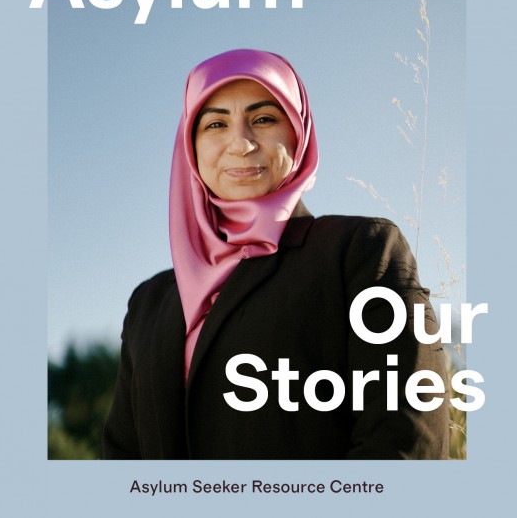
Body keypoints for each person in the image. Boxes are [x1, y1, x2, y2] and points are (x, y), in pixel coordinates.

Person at [103, 48, 448, 460]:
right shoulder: (149, 302)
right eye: (215, 123)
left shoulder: (361, 251)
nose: (241, 143)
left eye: (264, 119)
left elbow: (405, 440)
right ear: (189, 147)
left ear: (298, 133)